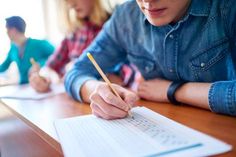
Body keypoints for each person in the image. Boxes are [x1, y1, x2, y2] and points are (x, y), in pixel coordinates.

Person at [65, 0, 236, 119]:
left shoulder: (227, 8)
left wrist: (174, 91)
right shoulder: (126, 17)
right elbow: (76, 72)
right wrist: (97, 90)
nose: (147, 1)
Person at [29, 0, 112, 93]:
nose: (71, 4)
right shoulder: (73, 32)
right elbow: (50, 66)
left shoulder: (114, 27)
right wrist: (45, 77)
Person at [0, 16, 54, 84]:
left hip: (40, 85)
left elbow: (57, 56)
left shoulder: (40, 44)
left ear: (13, 30)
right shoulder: (13, 49)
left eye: (7, 30)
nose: (6, 33)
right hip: (23, 86)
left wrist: (40, 64)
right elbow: (3, 66)